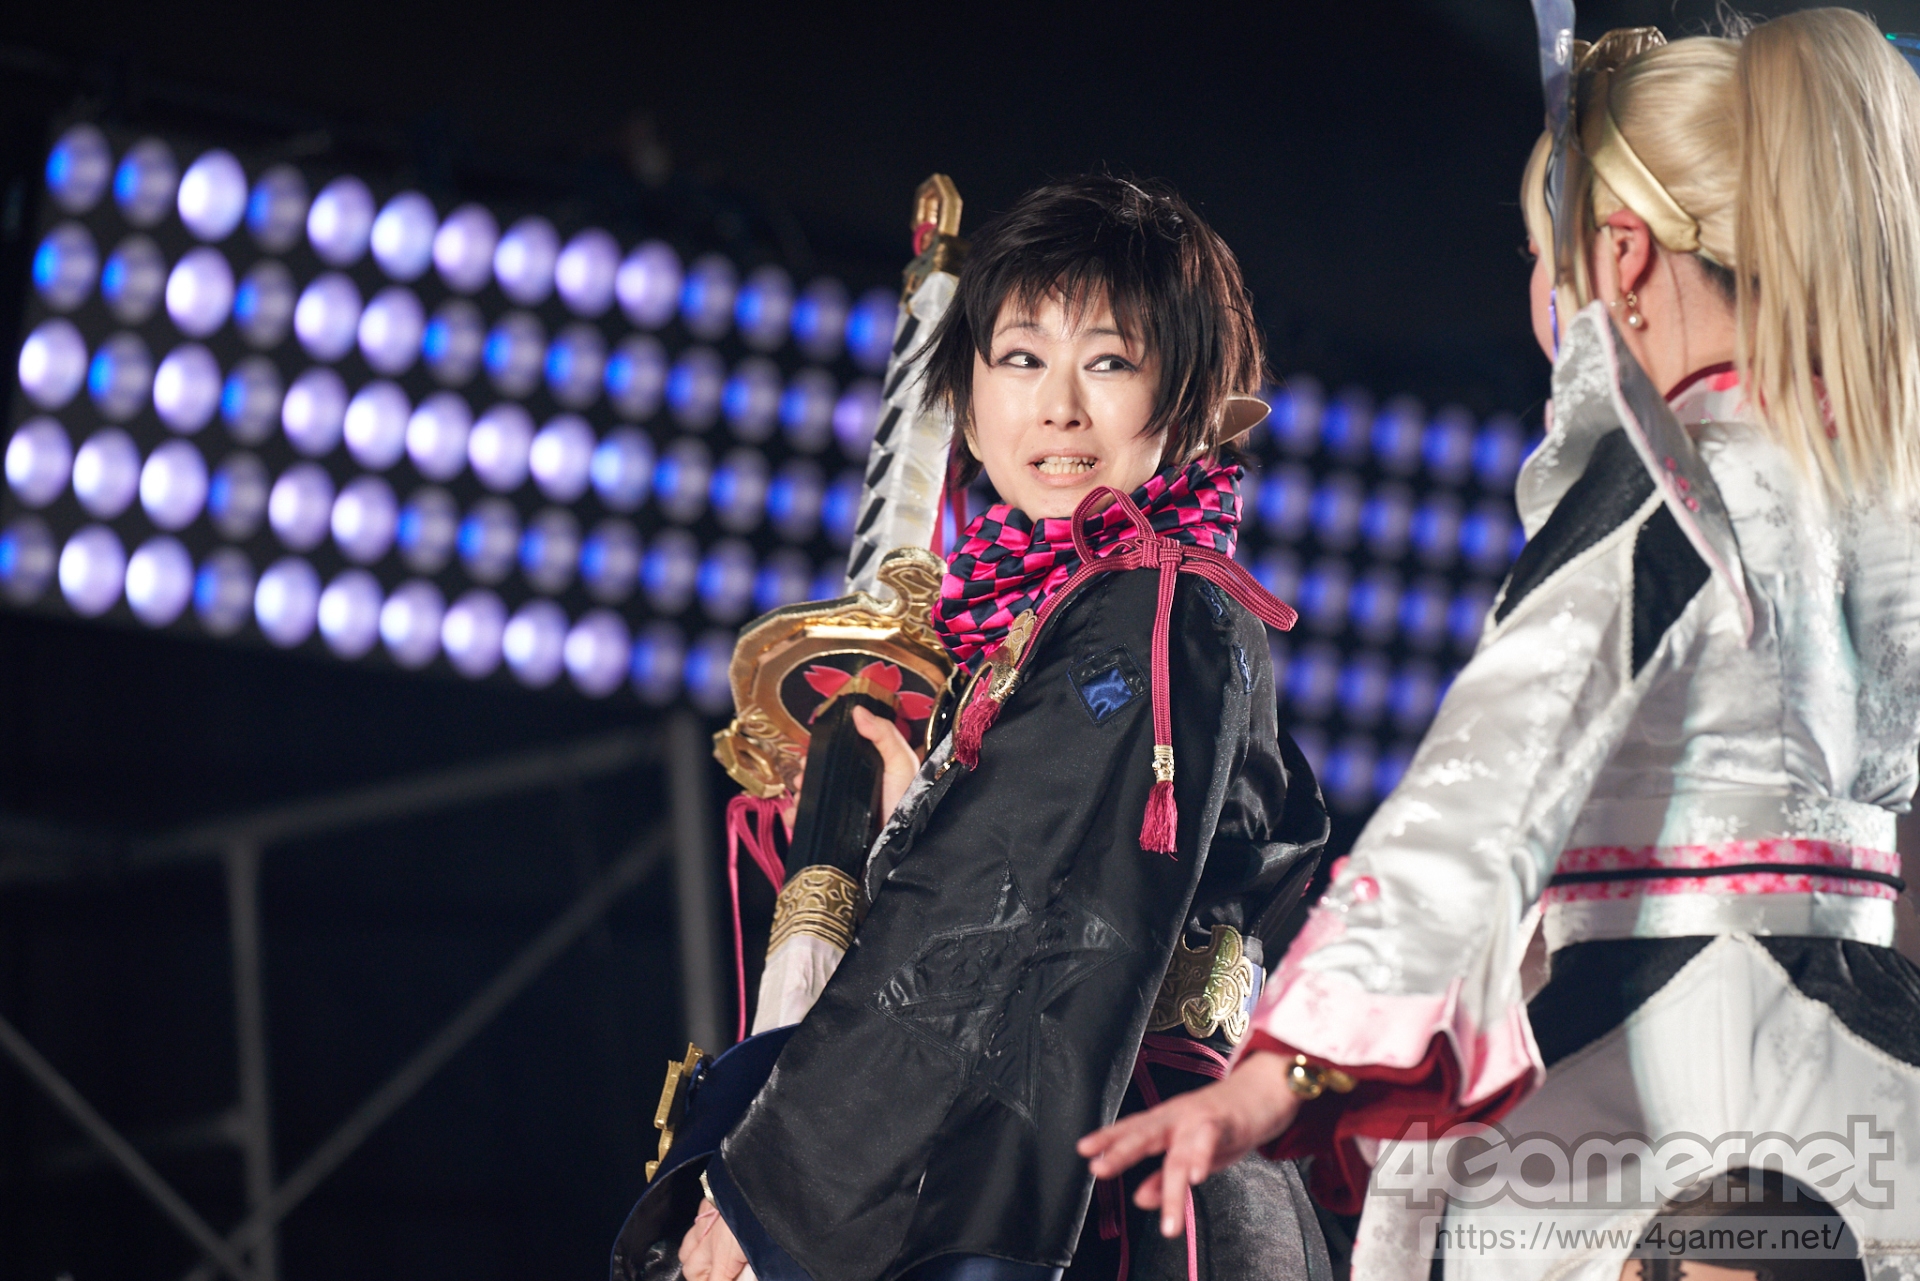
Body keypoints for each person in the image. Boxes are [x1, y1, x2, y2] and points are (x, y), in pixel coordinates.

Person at [1079, 12, 1920, 1281]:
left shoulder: (1665, 488)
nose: (1540, 294)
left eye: (1543, 256)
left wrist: (1286, 1067)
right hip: (1869, 1067)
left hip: (1671, 1074)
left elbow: (1484, 786)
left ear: (1621, 256)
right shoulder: (1871, 482)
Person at [676, 174, 1334, 1281]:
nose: (1058, 407)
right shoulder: (1042, 620)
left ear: (1188, 399)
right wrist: (914, 809)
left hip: (1116, 1179)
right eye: (1021, 357)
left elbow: (1002, 896)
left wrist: (776, 1187)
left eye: (1110, 362)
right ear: (967, 402)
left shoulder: (1158, 601)